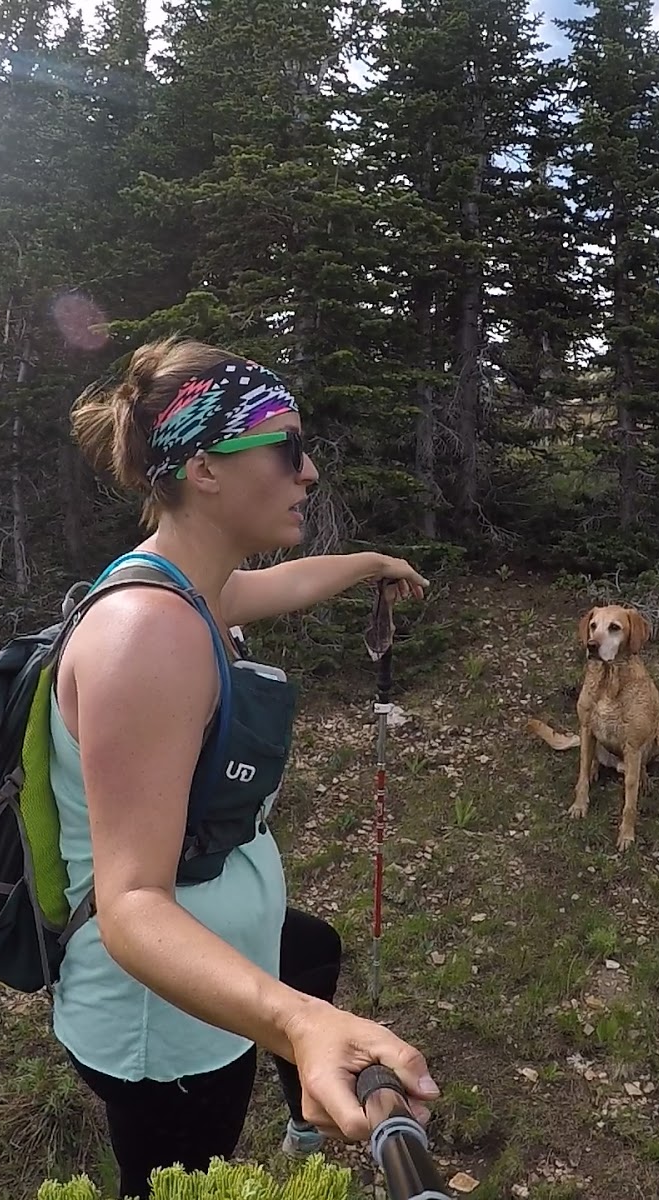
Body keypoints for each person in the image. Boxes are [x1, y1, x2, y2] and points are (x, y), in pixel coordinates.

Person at [52, 336, 438, 1198]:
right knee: (184, 1179)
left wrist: (372, 564)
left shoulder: (189, 588)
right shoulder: (150, 633)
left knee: (312, 948)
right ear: (205, 469)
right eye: (287, 447)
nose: (307, 473)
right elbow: (131, 903)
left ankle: (296, 1103)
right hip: (169, 1023)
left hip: (212, 976)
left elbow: (291, 583)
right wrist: (300, 1024)